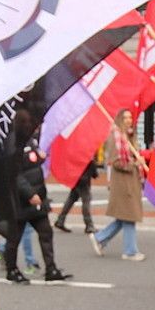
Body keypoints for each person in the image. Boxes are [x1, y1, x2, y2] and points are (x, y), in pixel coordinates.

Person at [3, 128, 70, 285]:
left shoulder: (31, 140)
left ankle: (51, 269)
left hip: (38, 200)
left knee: (46, 232)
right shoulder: (13, 143)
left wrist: (41, 157)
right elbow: (14, 174)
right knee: (14, 238)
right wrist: (29, 194)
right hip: (20, 202)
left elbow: (33, 162)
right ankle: (11, 270)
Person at [91, 110, 145, 261]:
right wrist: (135, 163)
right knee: (129, 215)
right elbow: (116, 162)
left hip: (130, 182)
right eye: (125, 117)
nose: (129, 120)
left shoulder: (128, 136)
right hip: (123, 183)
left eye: (130, 117)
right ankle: (130, 251)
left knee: (125, 216)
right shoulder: (116, 137)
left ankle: (100, 238)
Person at [53, 155, 97, 235]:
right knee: (86, 201)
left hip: (75, 179)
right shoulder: (88, 155)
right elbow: (94, 174)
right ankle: (89, 225)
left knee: (71, 199)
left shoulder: (75, 152)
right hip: (84, 181)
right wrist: (93, 165)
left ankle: (60, 220)